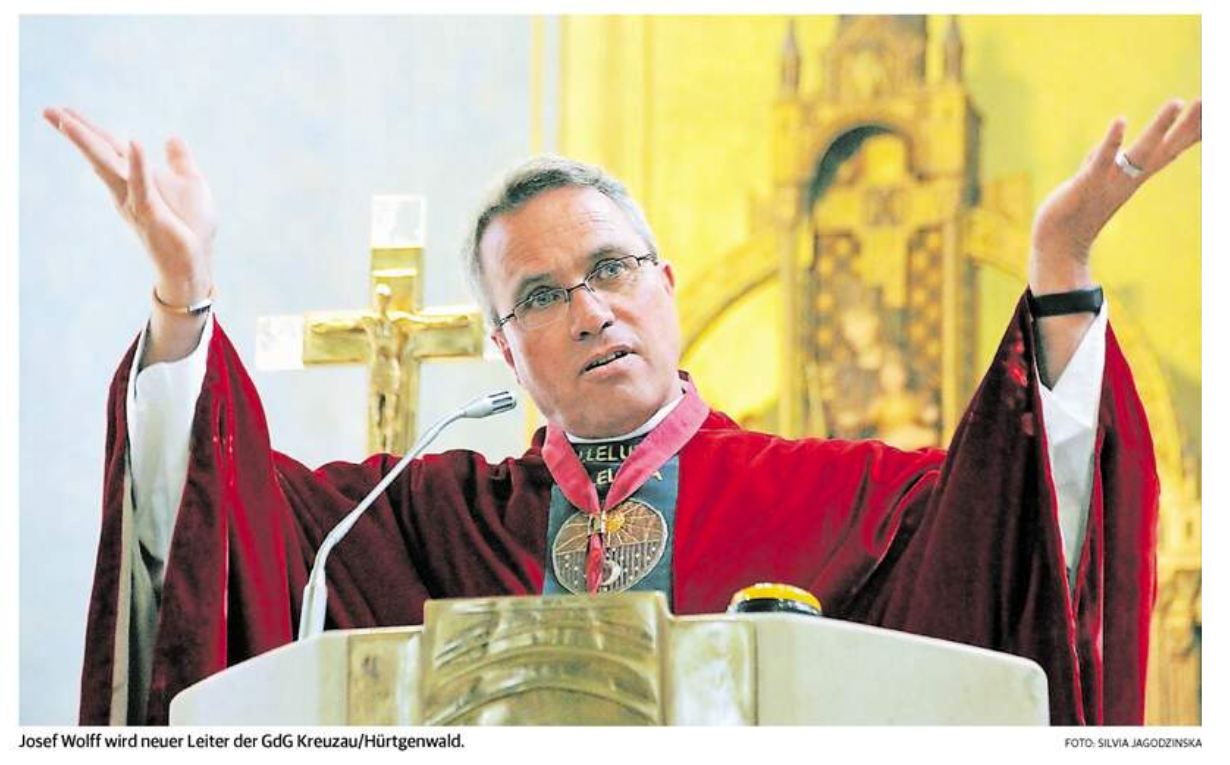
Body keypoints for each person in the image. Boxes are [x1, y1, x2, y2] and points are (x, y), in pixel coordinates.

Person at [44, 97, 1200, 726]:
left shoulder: (845, 500)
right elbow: (217, 523)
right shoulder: (412, 525)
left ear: (666, 287)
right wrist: (184, 300)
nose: (590, 310)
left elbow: (1019, 548)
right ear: (504, 347)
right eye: (543, 295)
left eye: (610, 269)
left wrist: (1059, 276)